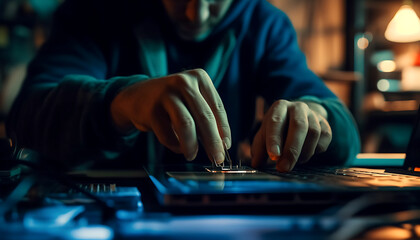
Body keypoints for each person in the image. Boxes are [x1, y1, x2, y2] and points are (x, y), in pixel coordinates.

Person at [6, 0, 360, 172]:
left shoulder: (264, 24)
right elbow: (26, 120)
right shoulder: (95, 11)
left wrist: (315, 115)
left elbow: (343, 132)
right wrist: (121, 102)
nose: (197, 15)